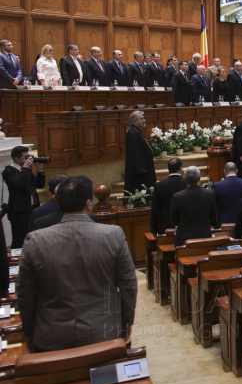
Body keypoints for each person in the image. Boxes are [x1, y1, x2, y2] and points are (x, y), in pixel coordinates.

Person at [18, 175, 137, 353]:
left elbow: (25, 294)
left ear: (58, 202)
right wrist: (127, 322)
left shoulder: (34, 240)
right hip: (103, 332)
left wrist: (29, 331)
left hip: (51, 335)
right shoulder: (113, 235)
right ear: (89, 204)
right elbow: (128, 285)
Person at [3, 146, 45, 248]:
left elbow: (39, 184)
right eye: (25, 157)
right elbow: (18, 184)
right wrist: (25, 168)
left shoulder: (26, 171)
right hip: (19, 212)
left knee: (33, 238)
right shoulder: (8, 171)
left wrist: (39, 170)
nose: (28, 159)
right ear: (16, 158)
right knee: (20, 240)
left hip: (32, 209)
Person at [171, 166, 217, 245]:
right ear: (199, 178)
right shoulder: (209, 194)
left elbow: (174, 219)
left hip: (184, 237)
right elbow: (212, 214)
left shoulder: (177, 196)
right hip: (204, 236)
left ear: (184, 179)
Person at [150, 158, 186, 236]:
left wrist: (154, 229)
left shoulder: (159, 185)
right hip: (185, 226)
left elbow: (155, 209)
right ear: (181, 169)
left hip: (165, 227)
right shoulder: (187, 184)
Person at [123, 111, 156, 196]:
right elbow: (135, 153)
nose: (144, 120)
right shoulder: (132, 133)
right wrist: (142, 169)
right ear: (134, 121)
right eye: (141, 119)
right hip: (140, 172)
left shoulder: (136, 131)